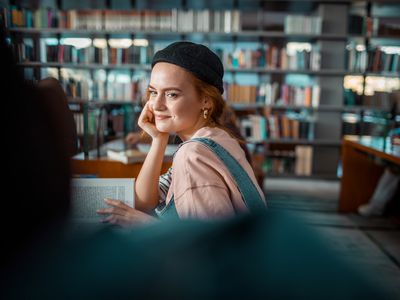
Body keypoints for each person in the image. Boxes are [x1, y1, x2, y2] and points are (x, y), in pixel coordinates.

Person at [98, 41, 266, 226]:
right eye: (153, 92)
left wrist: (141, 223)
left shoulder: (193, 155)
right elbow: (145, 202)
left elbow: (210, 247)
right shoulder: (215, 138)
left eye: (172, 94)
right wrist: (159, 139)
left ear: (206, 101)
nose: (157, 105)